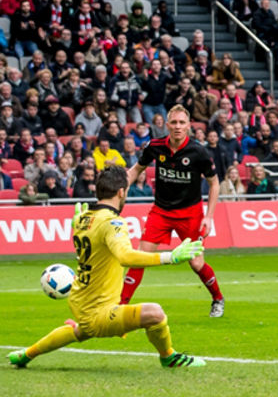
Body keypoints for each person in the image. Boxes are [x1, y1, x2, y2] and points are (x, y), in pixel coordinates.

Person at [7, 167, 206, 369]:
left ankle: (26, 354)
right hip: (98, 310)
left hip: (82, 301)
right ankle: (169, 357)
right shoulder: (112, 222)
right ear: (121, 192)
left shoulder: (83, 218)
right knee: (155, 313)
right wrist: (170, 257)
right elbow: (125, 256)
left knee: (80, 331)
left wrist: (77, 225)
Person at [119, 106, 225, 317]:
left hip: (190, 213)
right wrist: (120, 188)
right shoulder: (155, 146)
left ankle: (217, 298)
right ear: (167, 125)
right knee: (139, 257)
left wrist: (209, 216)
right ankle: (119, 306)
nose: (178, 126)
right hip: (161, 212)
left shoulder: (199, 152)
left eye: (182, 123)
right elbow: (136, 169)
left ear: (188, 126)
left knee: (196, 263)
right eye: (174, 122)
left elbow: (214, 183)